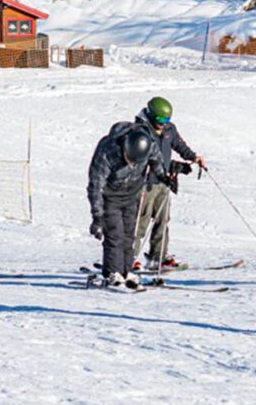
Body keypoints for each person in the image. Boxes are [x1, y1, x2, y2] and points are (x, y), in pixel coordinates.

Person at [87, 122, 168, 290]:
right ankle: (112, 273)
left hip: (132, 194)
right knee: (114, 234)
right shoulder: (107, 151)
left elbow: (156, 160)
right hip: (110, 197)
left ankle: (126, 271)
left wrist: (163, 176)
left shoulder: (148, 145)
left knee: (129, 234)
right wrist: (97, 217)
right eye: (129, 160)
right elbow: (96, 185)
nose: (131, 165)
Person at [132, 96, 206, 271]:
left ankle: (158, 258)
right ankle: (130, 257)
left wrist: (193, 158)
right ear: (150, 115)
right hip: (144, 182)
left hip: (163, 181)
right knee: (139, 222)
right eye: (160, 119)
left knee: (162, 220)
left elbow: (179, 145)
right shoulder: (139, 131)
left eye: (166, 119)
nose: (163, 123)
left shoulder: (169, 129)